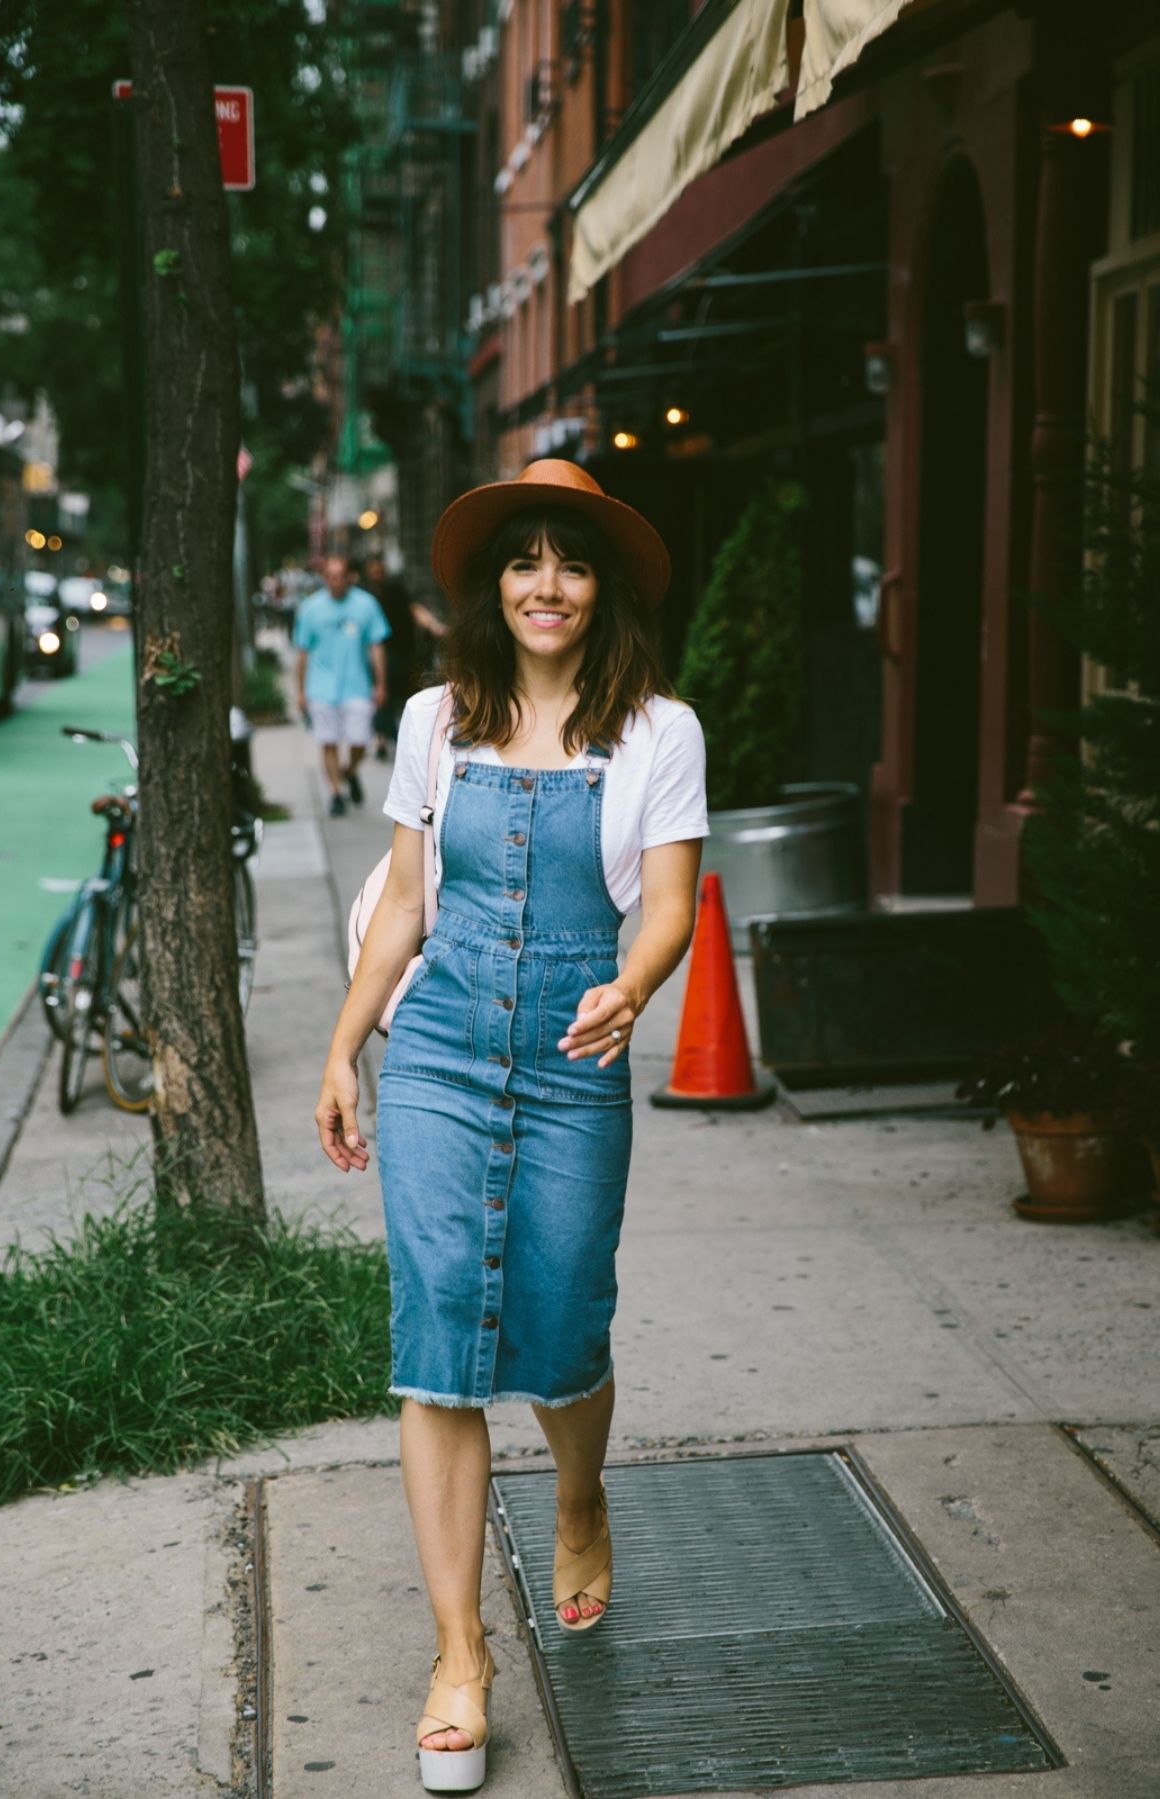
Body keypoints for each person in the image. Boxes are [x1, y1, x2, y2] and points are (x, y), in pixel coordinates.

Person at [312, 460, 707, 1792]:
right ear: (495, 582)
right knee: (437, 1332)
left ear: (604, 589)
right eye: (525, 559)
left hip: (573, 1048)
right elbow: (409, 903)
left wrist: (637, 982)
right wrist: (345, 1044)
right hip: (438, 1047)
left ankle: (580, 1498)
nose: (547, 584)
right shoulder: (437, 718)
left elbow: (667, 905)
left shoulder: (660, 731)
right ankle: (459, 1654)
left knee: (561, 1322)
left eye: (574, 560)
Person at [293, 554, 390, 815]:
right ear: (324, 578)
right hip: (321, 688)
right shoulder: (310, 608)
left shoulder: (366, 605)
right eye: (330, 576)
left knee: (360, 741)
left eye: (340, 575)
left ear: (349, 577)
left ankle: (349, 771)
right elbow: (302, 653)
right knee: (329, 741)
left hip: (357, 685)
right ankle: (336, 792)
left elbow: (376, 646)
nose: (335, 581)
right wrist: (300, 691)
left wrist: (381, 683)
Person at [362, 550, 449, 759]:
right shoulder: (365, 594)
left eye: (379, 567)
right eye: (373, 568)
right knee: (383, 697)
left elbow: (415, 608)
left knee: (404, 695)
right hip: (381, 652)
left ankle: (396, 737)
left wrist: (434, 626)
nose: (376, 571)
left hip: (404, 651)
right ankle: (384, 739)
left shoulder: (395, 589)